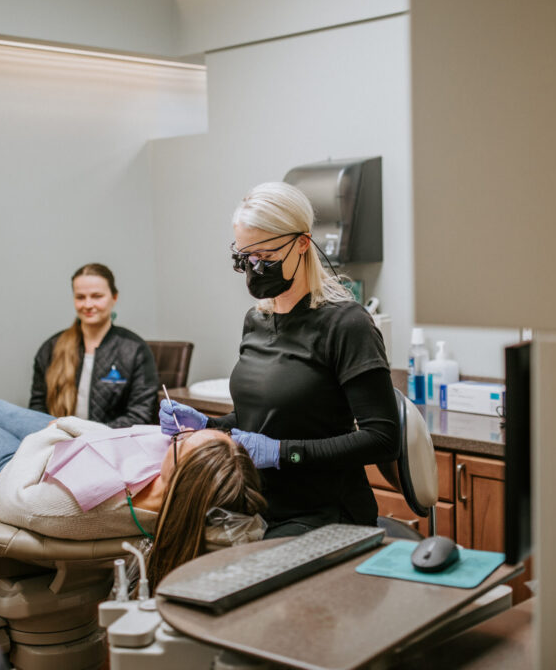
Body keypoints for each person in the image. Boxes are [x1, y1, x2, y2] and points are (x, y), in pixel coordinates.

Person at [0, 327, 266, 590]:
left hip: (11, 474)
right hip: (68, 440)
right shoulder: (189, 477)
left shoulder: (81, 509)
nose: (180, 436)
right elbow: (246, 523)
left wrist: (50, 434)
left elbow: (13, 503)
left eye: (185, 442)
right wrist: (69, 429)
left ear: (178, 480)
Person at [160, 182, 400, 538]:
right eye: (245, 259)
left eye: (266, 258)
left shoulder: (347, 325)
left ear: (303, 243)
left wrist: (284, 453)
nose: (255, 268)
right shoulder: (255, 321)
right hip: (260, 505)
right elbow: (266, 418)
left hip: (327, 515)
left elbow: (383, 438)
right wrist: (211, 427)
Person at [30, 263, 158, 427]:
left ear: (114, 297)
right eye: (80, 297)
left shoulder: (134, 350)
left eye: (97, 296)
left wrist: (89, 433)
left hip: (109, 445)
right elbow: (36, 409)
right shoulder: (51, 348)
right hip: (58, 442)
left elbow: (140, 415)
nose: (88, 305)